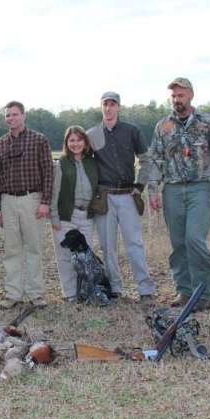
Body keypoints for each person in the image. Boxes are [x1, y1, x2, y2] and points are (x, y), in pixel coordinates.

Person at [148, 78, 210, 311]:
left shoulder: (207, 122)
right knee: (178, 243)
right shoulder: (163, 126)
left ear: (191, 95)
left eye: (181, 95)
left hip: (199, 188)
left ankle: (203, 294)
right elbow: (155, 159)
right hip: (172, 190)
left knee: (194, 239)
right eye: (173, 96)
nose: (177, 100)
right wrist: (153, 189)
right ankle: (184, 291)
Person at [86, 92, 156, 303]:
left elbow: (146, 160)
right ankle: (115, 288)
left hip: (127, 194)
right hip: (104, 197)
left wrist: (140, 186)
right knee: (108, 246)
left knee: (134, 244)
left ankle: (145, 289)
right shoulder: (92, 134)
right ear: (101, 107)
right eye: (105, 104)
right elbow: (83, 162)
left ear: (118, 107)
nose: (108, 108)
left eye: (112, 104)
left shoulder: (131, 131)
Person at [0, 101, 54, 309]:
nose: (11, 118)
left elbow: (48, 172)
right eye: (8, 115)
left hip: (31, 198)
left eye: (15, 114)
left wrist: (45, 202)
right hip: (7, 200)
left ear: (24, 116)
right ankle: (13, 294)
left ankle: (36, 294)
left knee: (33, 247)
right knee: (12, 249)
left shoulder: (39, 140)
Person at [49, 126, 99, 301]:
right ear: (66, 143)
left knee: (85, 255)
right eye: (72, 140)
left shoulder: (92, 162)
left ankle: (85, 292)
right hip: (66, 215)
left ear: (85, 142)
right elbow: (54, 192)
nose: (75, 144)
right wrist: (54, 216)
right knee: (65, 256)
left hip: (86, 216)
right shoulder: (61, 163)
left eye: (79, 140)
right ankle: (70, 293)